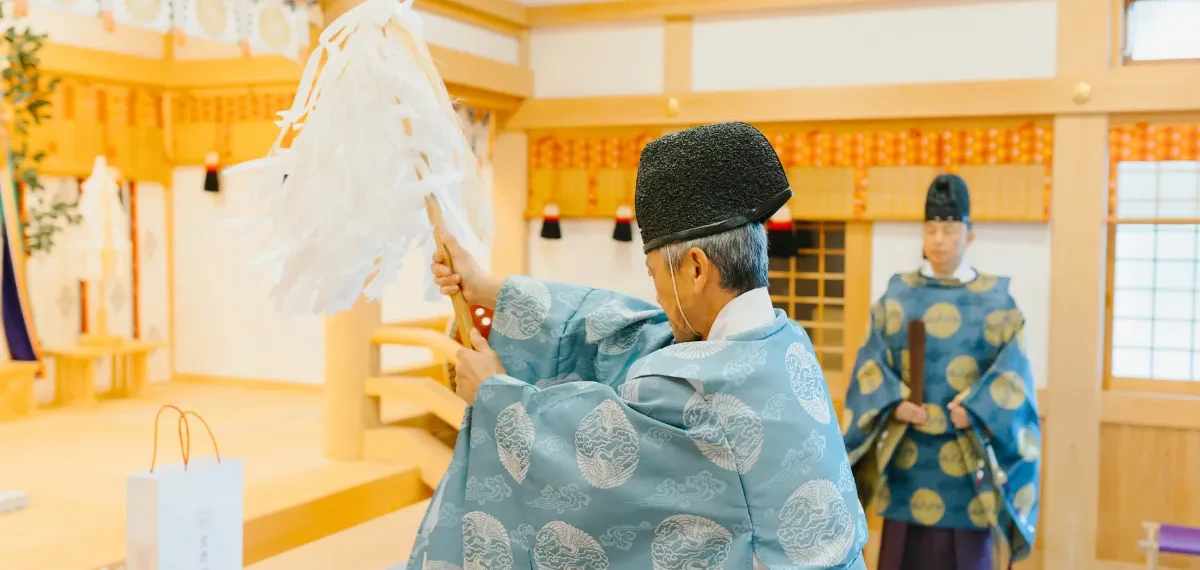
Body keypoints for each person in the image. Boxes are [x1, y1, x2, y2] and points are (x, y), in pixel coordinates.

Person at [407, 122, 869, 569]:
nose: (657, 297)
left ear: (696, 268)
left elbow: (576, 466)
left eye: (654, 275)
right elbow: (632, 332)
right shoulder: (782, 343)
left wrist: (494, 398)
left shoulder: (693, 397)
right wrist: (489, 288)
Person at [842, 174, 1041, 570]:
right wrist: (894, 403)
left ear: (970, 234)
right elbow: (870, 365)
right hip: (908, 460)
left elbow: (1013, 376)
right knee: (900, 557)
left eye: (949, 229)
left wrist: (979, 408)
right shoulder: (896, 297)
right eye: (931, 228)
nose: (938, 239)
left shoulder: (999, 303)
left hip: (967, 464)